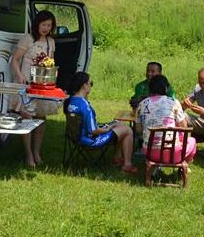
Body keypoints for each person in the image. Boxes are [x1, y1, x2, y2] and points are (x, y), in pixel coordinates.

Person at [64, 71, 137, 173]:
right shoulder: (85, 106)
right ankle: (127, 164)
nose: (91, 86)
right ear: (84, 85)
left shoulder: (70, 101)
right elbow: (94, 130)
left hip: (76, 137)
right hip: (90, 141)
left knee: (119, 124)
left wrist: (111, 125)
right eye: (91, 83)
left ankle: (117, 158)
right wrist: (108, 128)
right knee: (127, 130)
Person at [10, 10, 57, 167]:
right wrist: (19, 76)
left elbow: (51, 62)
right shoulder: (27, 39)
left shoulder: (51, 42)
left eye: (49, 25)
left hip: (42, 85)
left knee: (41, 119)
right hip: (26, 84)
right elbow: (15, 60)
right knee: (27, 118)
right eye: (43, 24)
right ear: (37, 24)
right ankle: (28, 154)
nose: (45, 28)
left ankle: (37, 152)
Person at [137, 74, 196, 164]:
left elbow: (138, 129)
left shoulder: (142, 104)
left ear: (150, 88)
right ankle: (185, 165)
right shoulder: (173, 103)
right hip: (173, 154)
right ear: (166, 88)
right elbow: (183, 127)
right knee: (192, 141)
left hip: (149, 153)